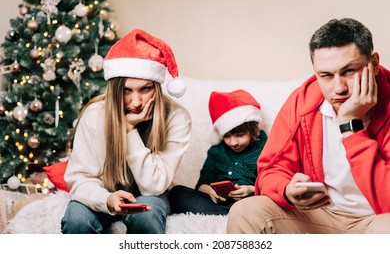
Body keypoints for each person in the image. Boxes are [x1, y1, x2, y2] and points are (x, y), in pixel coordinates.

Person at [227, 18, 390, 234]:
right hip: (321, 215)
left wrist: (351, 126)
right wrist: (287, 190)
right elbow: (270, 170)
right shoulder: (302, 103)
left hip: (378, 219)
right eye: (326, 76)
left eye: (349, 71)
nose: (339, 88)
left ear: (374, 63)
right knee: (245, 212)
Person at [61, 29, 191, 234]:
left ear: (156, 87)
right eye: (126, 90)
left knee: (147, 215)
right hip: (103, 192)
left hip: (150, 195)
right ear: (115, 90)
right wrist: (106, 199)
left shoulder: (176, 117)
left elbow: (154, 186)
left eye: (145, 89)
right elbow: (80, 179)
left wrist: (129, 130)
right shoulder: (95, 114)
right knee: (77, 219)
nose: (136, 102)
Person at [169, 89, 267, 215]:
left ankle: (236, 212)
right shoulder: (216, 151)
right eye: (227, 136)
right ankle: (228, 213)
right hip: (220, 203)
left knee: (263, 202)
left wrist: (250, 189)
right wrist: (211, 191)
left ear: (253, 130)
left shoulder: (263, 148)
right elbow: (201, 185)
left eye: (240, 135)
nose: (233, 142)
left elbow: (271, 184)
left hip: (250, 200)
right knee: (177, 193)